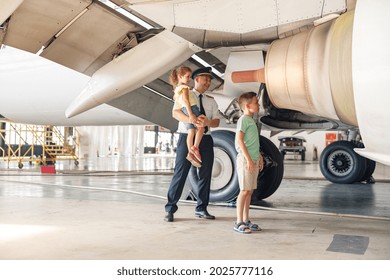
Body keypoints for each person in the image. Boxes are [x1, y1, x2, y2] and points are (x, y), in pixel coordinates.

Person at [164, 67, 220, 222]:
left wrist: (208, 122)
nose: (208, 82)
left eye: (209, 80)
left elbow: (217, 121)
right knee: (180, 173)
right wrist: (191, 119)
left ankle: (201, 208)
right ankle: (170, 209)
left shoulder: (211, 101)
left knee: (205, 175)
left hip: (206, 139)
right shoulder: (185, 92)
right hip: (186, 136)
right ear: (196, 79)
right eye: (205, 79)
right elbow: (175, 112)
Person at [234, 91, 264, 234]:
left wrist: (259, 156)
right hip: (246, 160)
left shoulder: (251, 120)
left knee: (249, 191)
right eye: (256, 102)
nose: (258, 105)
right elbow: (240, 140)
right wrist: (248, 159)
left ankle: (246, 220)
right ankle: (239, 221)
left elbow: (252, 142)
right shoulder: (243, 120)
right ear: (247, 105)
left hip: (253, 159)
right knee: (244, 191)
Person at [169, 66, 204, 166]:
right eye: (187, 77)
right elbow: (186, 101)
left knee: (191, 132)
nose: (189, 79)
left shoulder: (177, 90)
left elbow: (178, 101)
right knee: (201, 128)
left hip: (184, 110)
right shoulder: (184, 88)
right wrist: (191, 114)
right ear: (180, 77)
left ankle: (191, 152)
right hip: (191, 108)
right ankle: (195, 148)